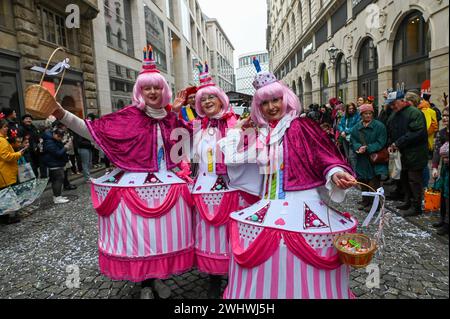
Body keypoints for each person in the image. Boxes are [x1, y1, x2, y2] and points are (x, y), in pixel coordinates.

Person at [49, 45, 194, 299]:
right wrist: (62, 114)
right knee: (141, 239)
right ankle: (145, 284)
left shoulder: (172, 119)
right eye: (147, 87)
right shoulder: (126, 118)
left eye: (157, 87)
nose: (152, 91)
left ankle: (157, 278)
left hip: (166, 186)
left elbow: (194, 137)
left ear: (164, 90)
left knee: (161, 237)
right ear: (139, 91)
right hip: (135, 189)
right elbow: (89, 129)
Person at [219, 61, 357, 299]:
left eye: (276, 100)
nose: (272, 107)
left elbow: (324, 156)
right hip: (267, 202)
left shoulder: (302, 126)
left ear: (287, 99)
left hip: (302, 202)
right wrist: (237, 129)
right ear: (258, 106)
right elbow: (233, 159)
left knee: (293, 256)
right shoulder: (260, 133)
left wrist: (336, 173)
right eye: (265, 102)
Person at [173, 62, 259, 299]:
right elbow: (175, 144)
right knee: (210, 236)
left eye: (212, 97)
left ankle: (236, 276)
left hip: (235, 189)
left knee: (233, 234)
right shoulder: (196, 126)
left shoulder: (238, 122)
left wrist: (247, 133)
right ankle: (213, 278)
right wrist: (174, 112)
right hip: (205, 189)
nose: (207, 101)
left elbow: (256, 153)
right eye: (203, 99)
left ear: (222, 99)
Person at [386, 89, 428, 217]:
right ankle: (407, 201)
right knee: (404, 178)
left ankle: (416, 206)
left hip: (415, 153)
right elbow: (390, 130)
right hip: (402, 154)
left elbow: (417, 132)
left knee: (414, 180)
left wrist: (397, 143)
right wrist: (390, 144)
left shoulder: (414, 113)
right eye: (390, 104)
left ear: (402, 100)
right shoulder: (395, 113)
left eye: (394, 103)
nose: (392, 106)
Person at [350, 104, 388, 210]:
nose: (368, 116)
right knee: (363, 180)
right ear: (361, 115)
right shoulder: (356, 127)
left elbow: (381, 141)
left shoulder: (379, 126)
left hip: (374, 158)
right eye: (365, 114)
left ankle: (374, 204)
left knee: (374, 181)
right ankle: (365, 201)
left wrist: (368, 148)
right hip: (362, 159)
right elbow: (353, 140)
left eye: (370, 113)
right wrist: (358, 147)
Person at [0, 115, 29, 224]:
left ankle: (7, 217)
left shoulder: (3, 139)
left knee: (6, 196)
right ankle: (8, 218)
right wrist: (19, 153)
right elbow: (6, 156)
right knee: (7, 196)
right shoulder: (1, 141)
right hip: (5, 173)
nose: (7, 128)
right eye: (4, 127)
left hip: (5, 173)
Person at [432, 106, 449, 235]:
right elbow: (437, 151)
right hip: (445, 169)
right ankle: (443, 219)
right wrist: (434, 167)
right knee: (443, 194)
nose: (444, 118)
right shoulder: (442, 133)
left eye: (448, 116)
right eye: (443, 115)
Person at [42, 128, 70, 204]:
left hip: (57, 162)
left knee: (59, 180)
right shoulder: (49, 141)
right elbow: (57, 153)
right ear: (54, 134)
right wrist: (65, 147)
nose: (60, 138)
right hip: (53, 163)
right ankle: (57, 197)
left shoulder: (52, 139)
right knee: (57, 180)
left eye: (61, 137)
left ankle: (58, 196)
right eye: (59, 137)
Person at [338, 103, 360, 170]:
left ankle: (355, 172)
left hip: (353, 138)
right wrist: (342, 131)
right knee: (347, 156)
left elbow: (356, 126)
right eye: (349, 109)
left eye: (352, 108)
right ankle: (350, 170)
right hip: (345, 138)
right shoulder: (345, 116)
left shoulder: (357, 116)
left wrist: (346, 131)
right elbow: (340, 125)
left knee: (352, 156)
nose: (351, 110)